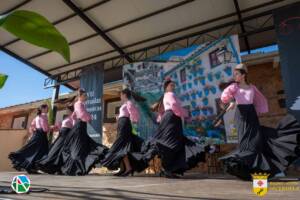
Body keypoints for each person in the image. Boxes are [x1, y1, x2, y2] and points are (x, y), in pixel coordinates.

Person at [219, 63, 300, 180]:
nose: (235, 76)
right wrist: (231, 101)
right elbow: (225, 96)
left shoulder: (252, 87)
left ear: (243, 75)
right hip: (241, 115)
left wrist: (260, 110)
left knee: (257, 142)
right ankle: (247, 170)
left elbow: (259, 99)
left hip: (251, 114)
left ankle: (268, 170)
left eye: (237, 74)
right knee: (245, 143)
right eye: (234, 74)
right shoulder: (234, 87)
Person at [130, 79, 210, 178]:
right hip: (172, 120)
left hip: (170, 120)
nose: (173, 87)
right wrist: (185, 114)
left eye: (174, 85)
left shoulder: (165, 97)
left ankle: (168, 169)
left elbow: (163, 113)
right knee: (171, 144)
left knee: (169, 144)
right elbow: (174, 106)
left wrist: (174, 117)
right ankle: (168, 169)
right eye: (171, 85)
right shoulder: (170, 95)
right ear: (166, 87)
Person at [60, 89, 108, 176]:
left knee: (83, 146)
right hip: (80, 127)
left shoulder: (80, 104)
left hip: (80, 126)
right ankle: (75, 168)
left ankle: (78, 167)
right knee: (79, 147)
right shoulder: (78, 104)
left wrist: (81, 119)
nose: (86, 97)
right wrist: (89, 117)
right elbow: (82, 116)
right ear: (80, 96)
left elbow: (74, 116)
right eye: (85, 95)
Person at [101, 88, 145, 176]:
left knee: (121, 146)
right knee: (123, 147)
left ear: (124, 95)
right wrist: (119, 118)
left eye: (121, 95)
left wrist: (132, 120)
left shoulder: (128, 102)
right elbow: (127, 114)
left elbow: (134, 113)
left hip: (124, 126)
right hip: (122, 125)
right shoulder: (125, 104)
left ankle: (126, 168)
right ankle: (126, 168)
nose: (120, 96)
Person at [9, 104, 51, 174]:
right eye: (47, 108)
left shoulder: (37, 117)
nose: (47, 110)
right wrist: (52, 127)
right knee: (42, 151)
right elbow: (45, 129)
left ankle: (31, 167)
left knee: (32, 150)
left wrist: (33, 132)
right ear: (43, 109)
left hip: (36, 134)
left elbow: (32, 126)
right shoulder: (44, 116)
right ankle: (34, 167)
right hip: (41, 136)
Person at [37, 105, 74, 174]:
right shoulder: (67, 117)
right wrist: (57, 126)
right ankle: (47, 167)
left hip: (66, 136)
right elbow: (61, 127)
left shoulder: (73, 118)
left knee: (59, 151)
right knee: (54, 150)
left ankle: (57, 168)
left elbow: (73, 127)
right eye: (66, 110)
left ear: (71, 110)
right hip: (61, 135)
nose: (67, 111)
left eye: (68, 110)